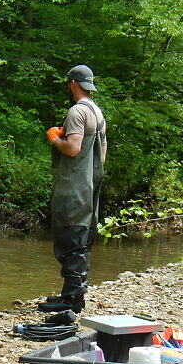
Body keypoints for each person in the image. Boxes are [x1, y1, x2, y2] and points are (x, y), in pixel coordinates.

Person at [39, 65, 107, 314]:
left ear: (73, 84)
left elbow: (72, 148)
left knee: (70, 240)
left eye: (68, 84)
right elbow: (102, 154)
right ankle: (73, 295)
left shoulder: (77, 112)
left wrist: (53, 137)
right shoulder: (97, 112)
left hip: (73, 185)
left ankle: (71, 300)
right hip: (89, 185)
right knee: (81, 238)